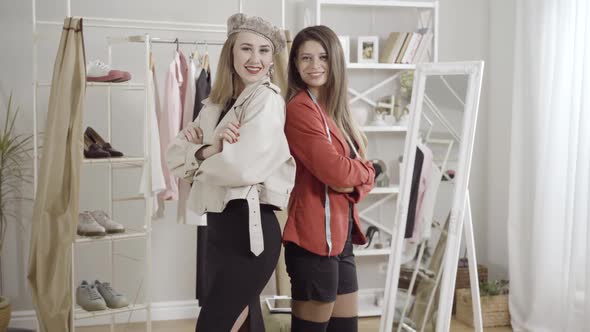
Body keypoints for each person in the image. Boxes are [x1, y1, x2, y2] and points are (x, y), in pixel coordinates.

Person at [166, 13, 295, 332]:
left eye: (264, 51)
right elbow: (172, 156)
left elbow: (241, 167)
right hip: (219, 231)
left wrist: (197, 163)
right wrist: (213, 149)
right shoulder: (213, 104)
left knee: (213, 324)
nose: (256, 59)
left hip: (251, 234)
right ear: (231, 52)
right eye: (246, 49)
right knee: (246, 324)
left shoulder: (267, 100)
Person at [282, 25, 376, 332]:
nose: (314, 65)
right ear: (295, 63)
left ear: (334, 60)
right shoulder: (299, 109)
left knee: (346, 328)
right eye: (305, 58)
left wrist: (359, 174)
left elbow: (350, 177)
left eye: (322, 57)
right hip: (313, 241)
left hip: (341, 237)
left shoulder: (337, 111)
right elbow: (336, 173)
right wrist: (366, 170)